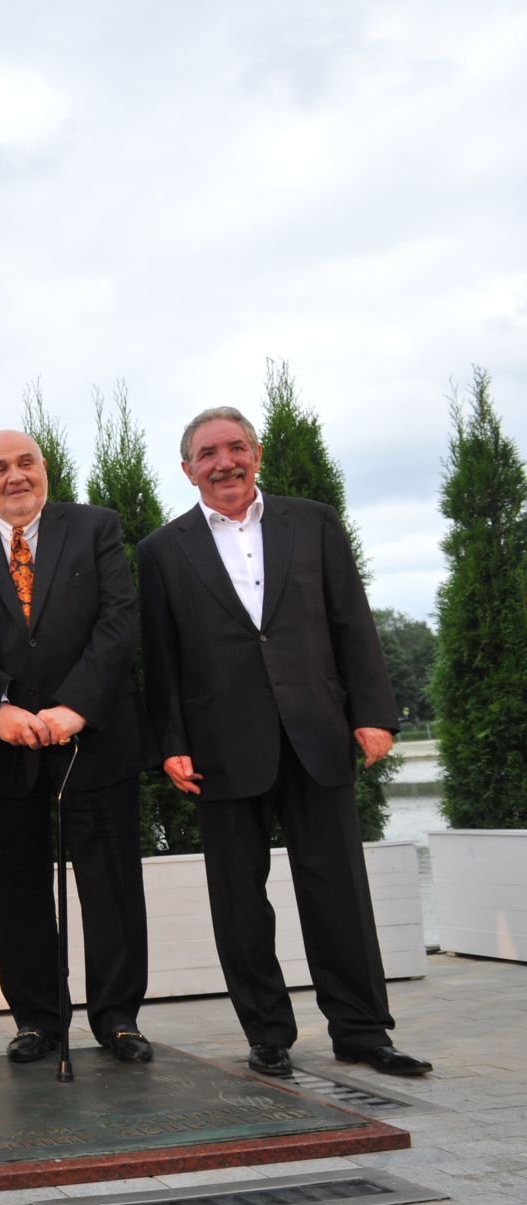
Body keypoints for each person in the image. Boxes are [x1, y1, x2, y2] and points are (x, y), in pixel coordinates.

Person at [139, 406, 431, 1078]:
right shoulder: (161, 550)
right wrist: (169, 741)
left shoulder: (315, 522)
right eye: (208, 453)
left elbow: (350, 619)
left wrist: (374, 712)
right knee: (240, 900)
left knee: (339, 892)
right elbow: (162, 656)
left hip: (317, 732)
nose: (224, 462)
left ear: (257, 453)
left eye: (236, 447)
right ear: (188, 469)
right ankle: (268, 1033)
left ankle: (362, 1030)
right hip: (219, 746)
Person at [0, 431, 153, 1066]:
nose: (14, 477)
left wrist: (75, 706)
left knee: (111, 886)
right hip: (3, 747)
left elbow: (119, 620)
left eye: (25, 463)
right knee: (17, 889)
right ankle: (38, 1022)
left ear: (44, 469)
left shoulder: (95, 528)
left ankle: (118, 1020)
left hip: (96, 739)